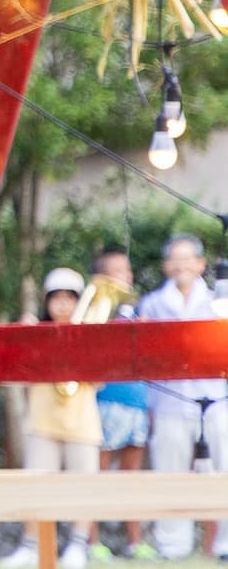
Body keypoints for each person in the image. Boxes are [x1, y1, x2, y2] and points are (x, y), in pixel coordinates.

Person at [1, 268, 99, 568]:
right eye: (56, 297)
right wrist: (25, 336)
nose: (63, 304)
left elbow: (99, 380)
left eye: (70, 297)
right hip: (42, 419)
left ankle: (78, 545)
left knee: (84, 485)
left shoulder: (90, 334)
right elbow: (18, 372)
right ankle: (31, 545)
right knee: (36, 484)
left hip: (82, 420)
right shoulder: (37, 333)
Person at [139, 234, 228, 561]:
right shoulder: (152, 304)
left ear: (201, 264)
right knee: (170, 473)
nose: (181, 266)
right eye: (175, 259)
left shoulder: (219, 299)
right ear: (166, 266)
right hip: (169, 399)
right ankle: (172, 545)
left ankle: (225, 544)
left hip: (215, 399)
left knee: (224, 471)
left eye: (188, 259)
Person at [88, 246, 149, 558]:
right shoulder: (95, 314)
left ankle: (135, 542)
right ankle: (91, 542)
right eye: (115, 272)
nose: (124, 277)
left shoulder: (139, 311)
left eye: (126, 271)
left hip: (137, 402)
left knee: (132, 477)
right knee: (96, 474)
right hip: (106, 401)